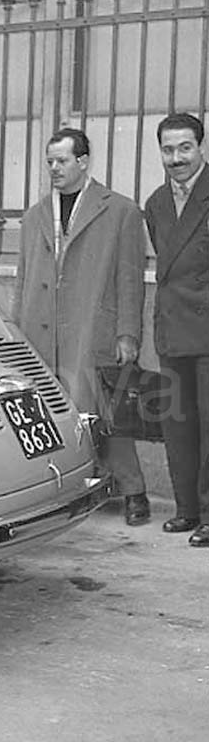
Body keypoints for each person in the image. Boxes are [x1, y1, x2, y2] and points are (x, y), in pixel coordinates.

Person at [12, 127, 150, 526]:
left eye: (62, 160)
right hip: (41, 333)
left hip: (92, 327)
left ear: (83, 162)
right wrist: (16, 333)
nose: (54, 168)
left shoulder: (120, 211)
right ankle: (61, 492)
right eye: (49, 162)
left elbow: (130, 278)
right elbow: (23, 280)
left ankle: (134, 491)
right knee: (48, 419)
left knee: (106, 412)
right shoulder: (35, 216)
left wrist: (128, 333)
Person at [144, 112, 209, 546]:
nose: (176, 158)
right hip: (172, 328)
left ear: (201, 147)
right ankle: (187, 509)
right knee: (178, 424)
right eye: (168, 149)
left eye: (185, 147)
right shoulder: (155, 203)